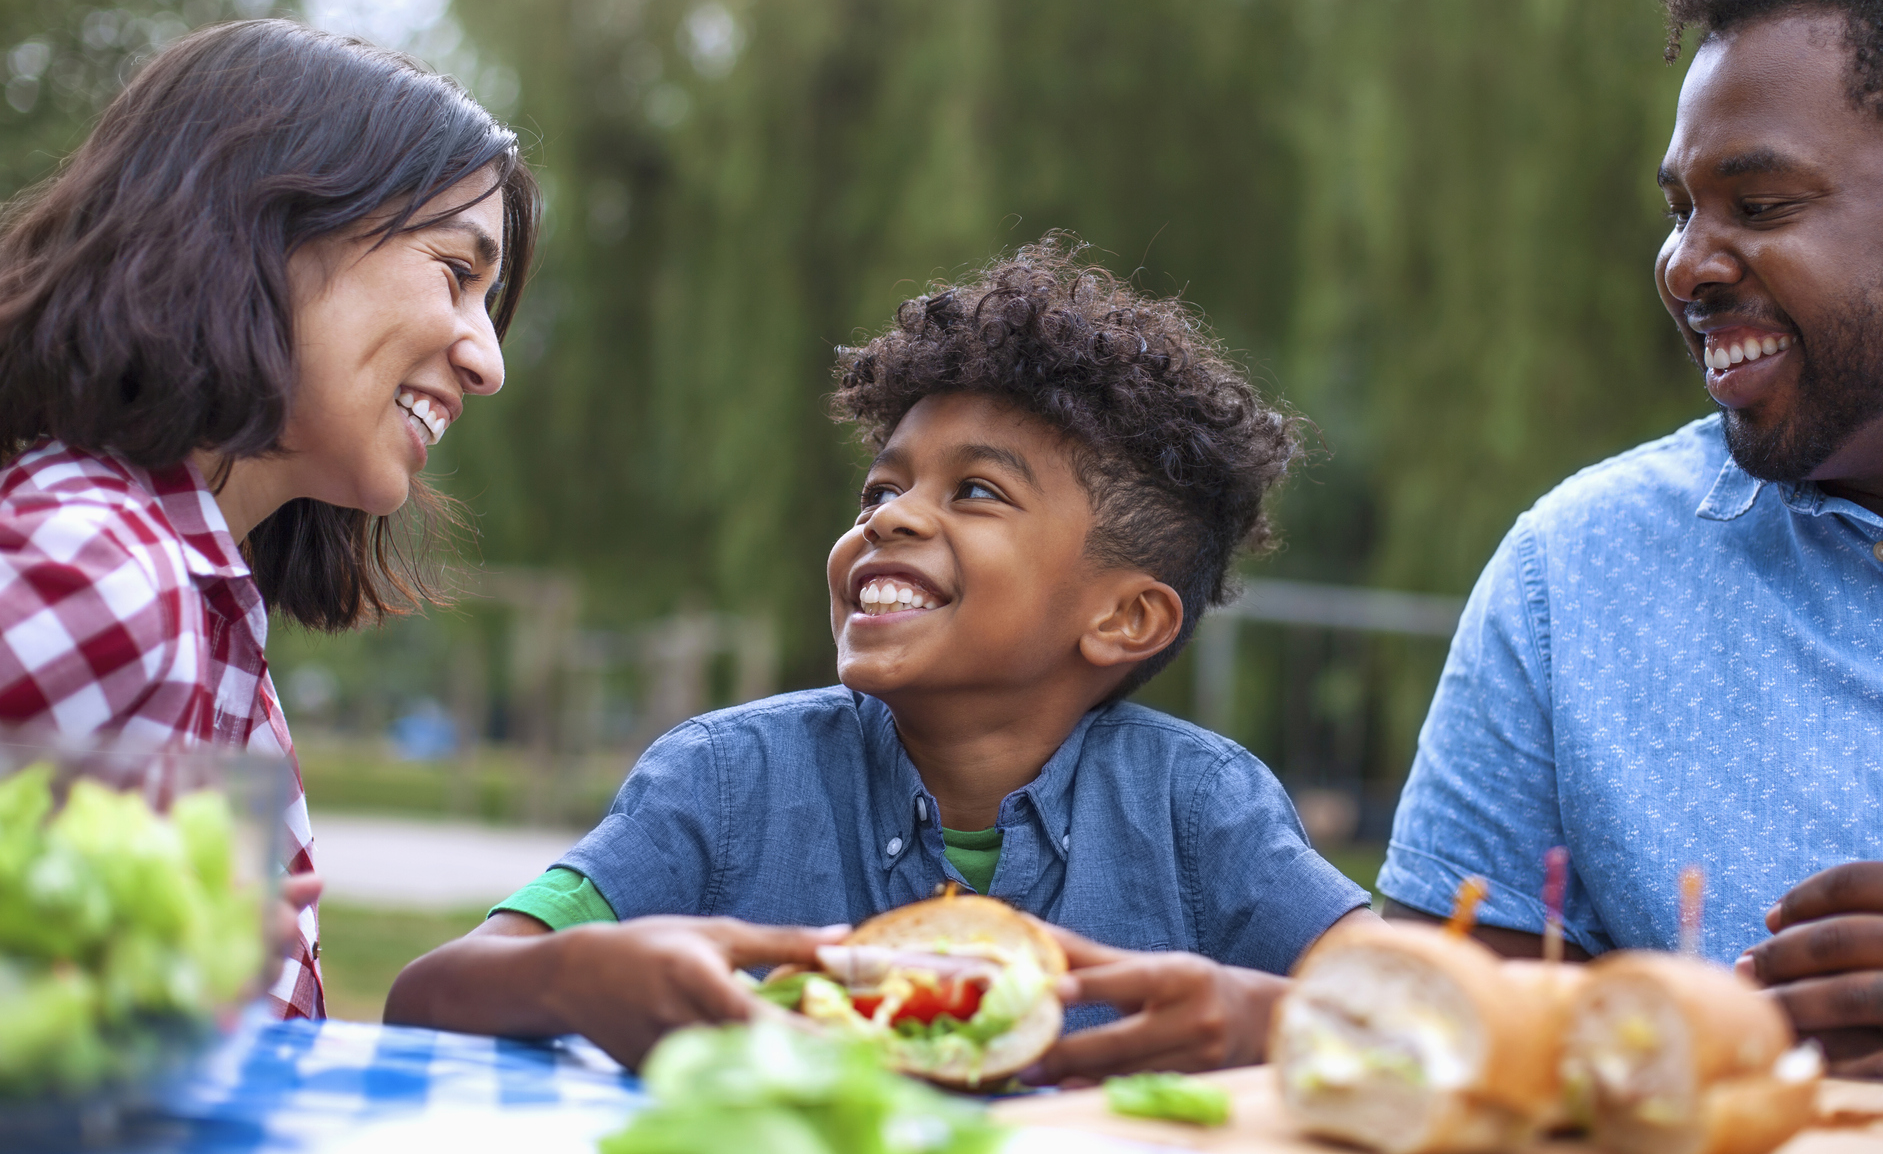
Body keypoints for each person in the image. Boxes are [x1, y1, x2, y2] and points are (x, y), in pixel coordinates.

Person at [1376, 0, 1883, 1088]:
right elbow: (1424, 1052)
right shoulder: (1572, 578)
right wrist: (1262, 1025)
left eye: (1759, 200)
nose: (1689, 266)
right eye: (1682, 210)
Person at [386, 238, 1373, 1075]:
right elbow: (427, 995)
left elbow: (1422, 1019)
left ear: (1125, 618)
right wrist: (571, 976)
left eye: (977, 491)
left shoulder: (1201, 811)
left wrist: (1263, 1017)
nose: (890, 515)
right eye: (878, 490)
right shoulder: (726, 781)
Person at [0, 19, 539, 1018]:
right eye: (455, 273)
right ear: (261, 237)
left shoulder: (192, 586)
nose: (487, 360)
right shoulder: (94, 564)